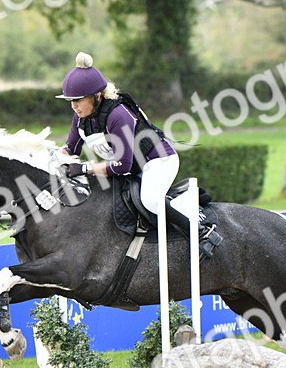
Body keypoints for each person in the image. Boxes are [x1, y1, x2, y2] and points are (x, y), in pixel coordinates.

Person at [56, 52, 222, 258]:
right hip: (132, 167)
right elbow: (70, 150)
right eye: (71, 100)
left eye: (78, 100)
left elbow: (122, 166)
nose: (74, 106)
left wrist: (85, 168)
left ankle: (202, 232)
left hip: (158, 161)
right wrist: (50, 159)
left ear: (97, 96)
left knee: (150, 200)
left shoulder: (118, 115)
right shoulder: (80, 118)